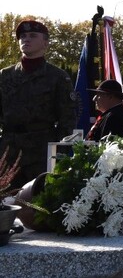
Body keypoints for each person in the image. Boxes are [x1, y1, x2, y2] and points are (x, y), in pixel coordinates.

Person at [0, 20, 76, 187]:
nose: (26, 39)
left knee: (37, 199)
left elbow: (67, 119)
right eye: (23, 36)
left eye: (33, 36)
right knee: (5, 199)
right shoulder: (5, 75)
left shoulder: (57, 77)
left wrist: (58, 154)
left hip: (41, 152)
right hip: (8, 151)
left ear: (45, 43)